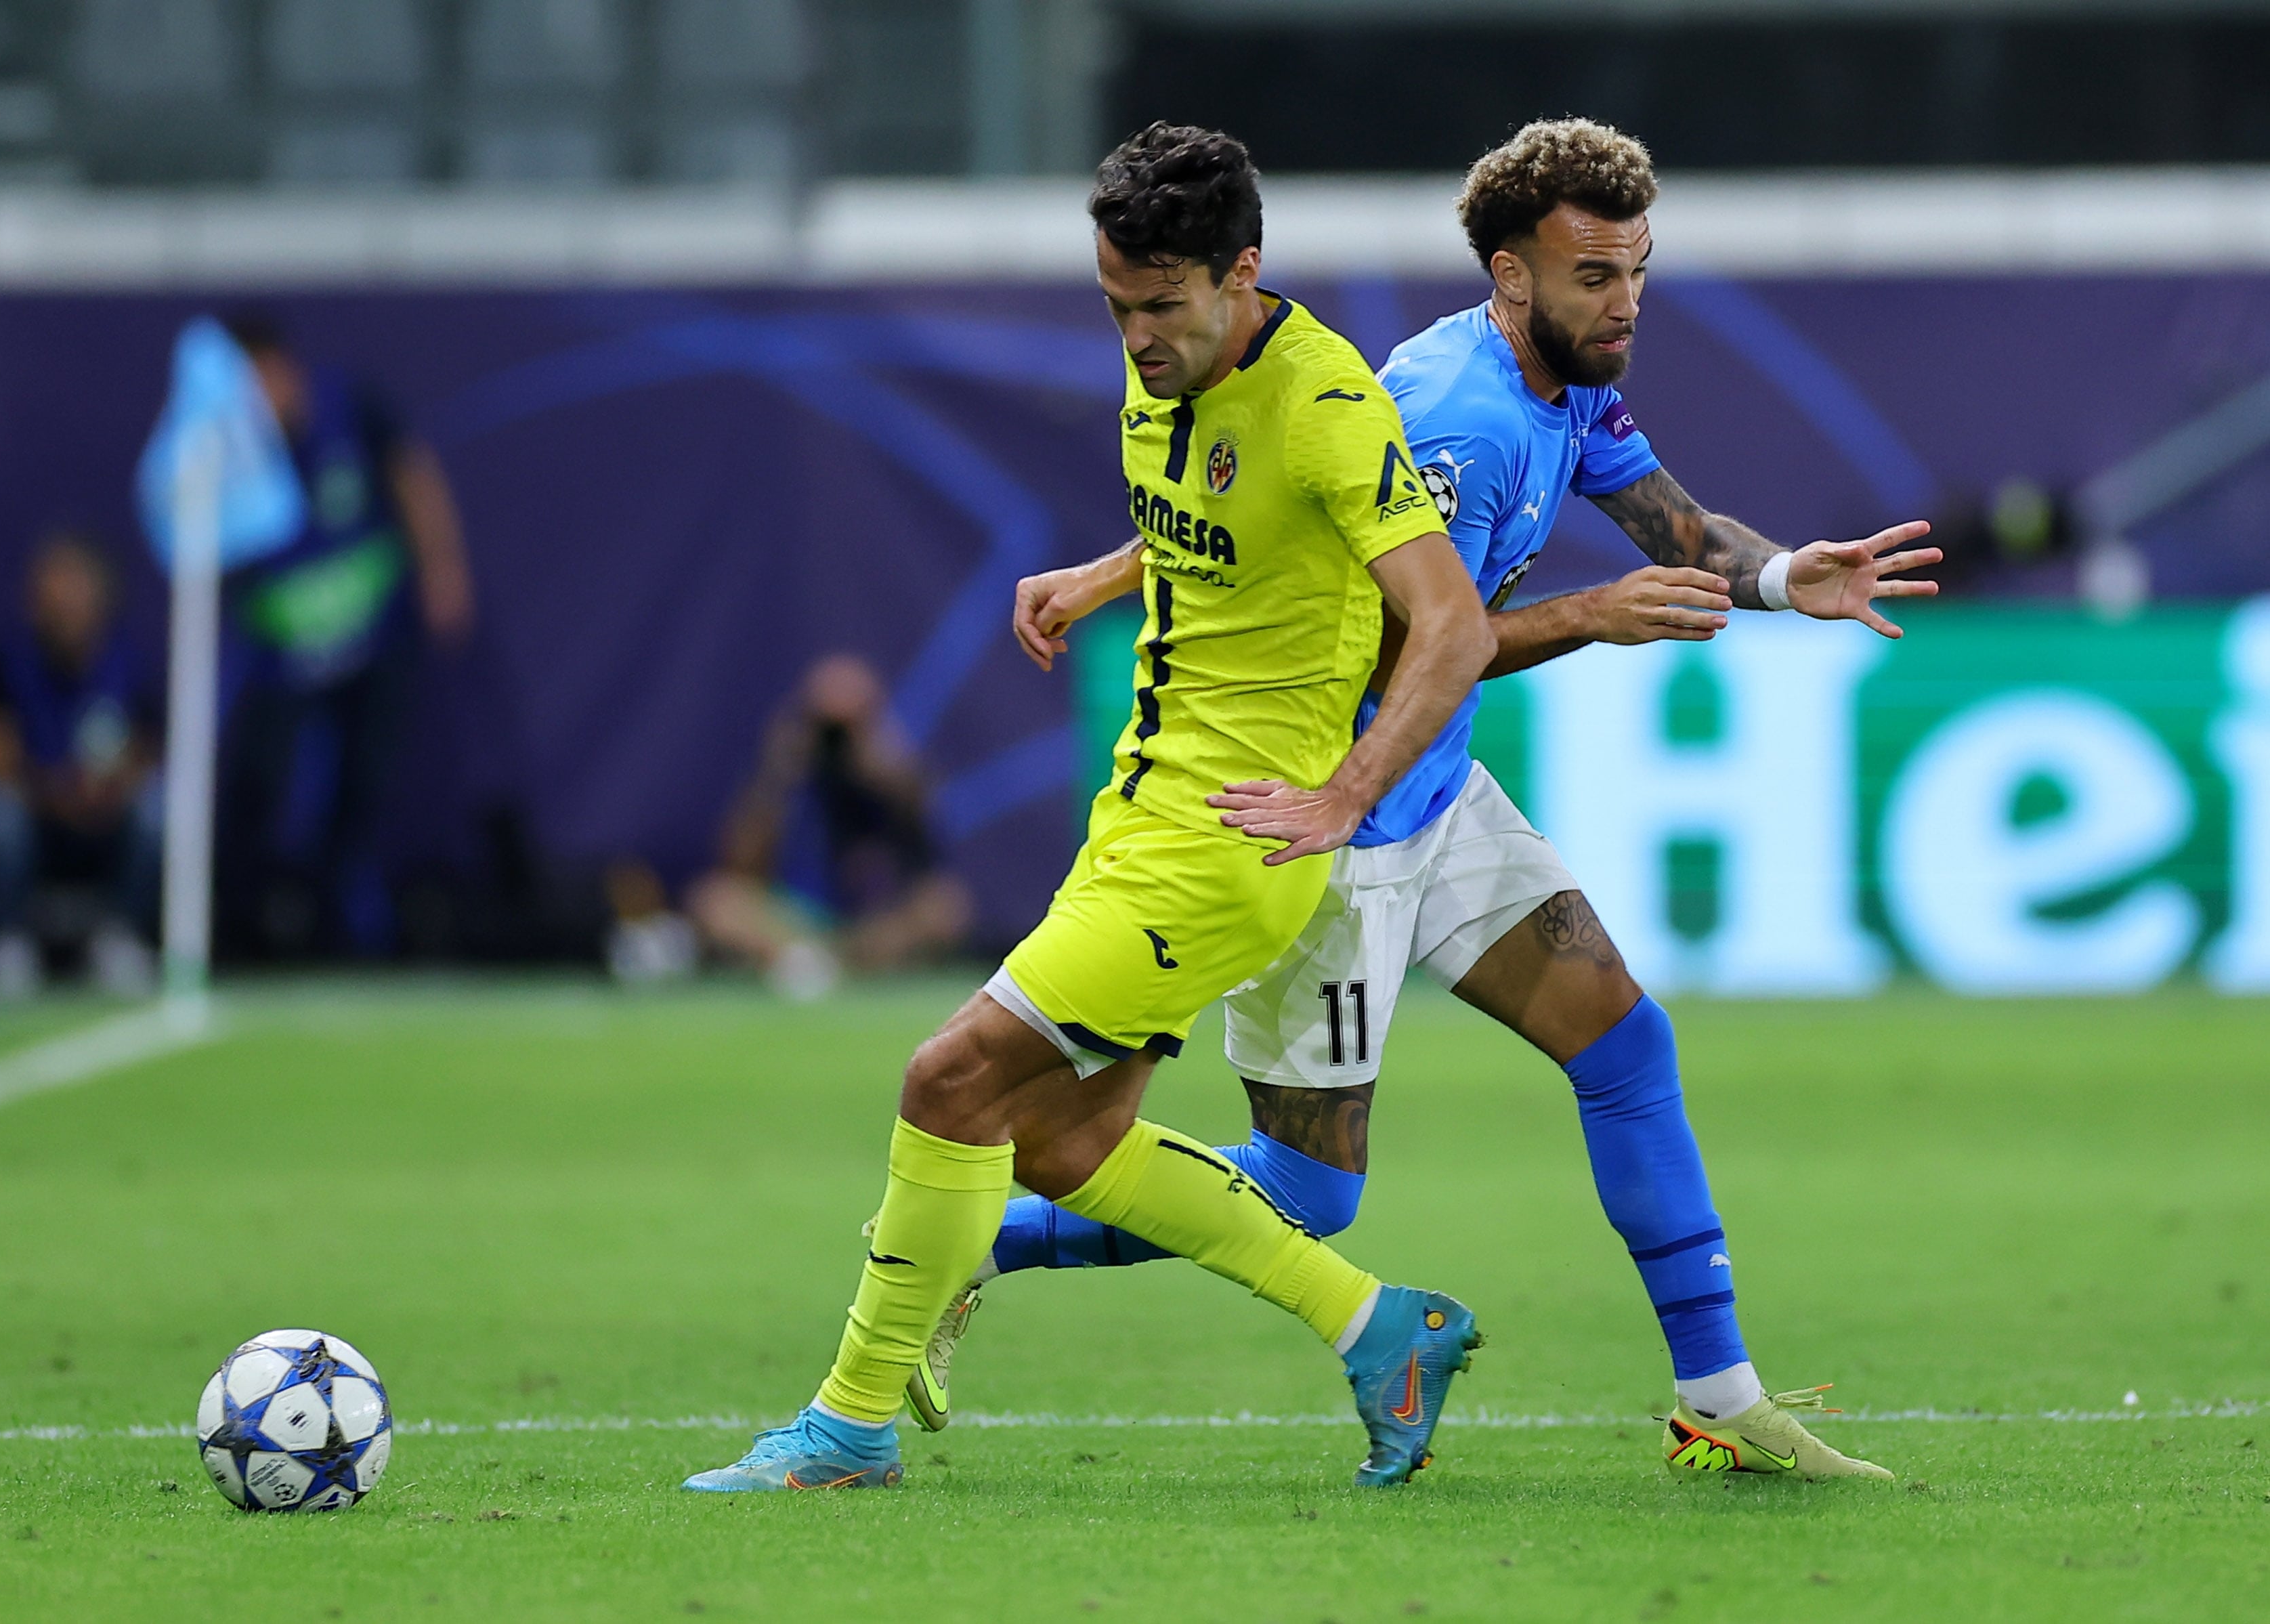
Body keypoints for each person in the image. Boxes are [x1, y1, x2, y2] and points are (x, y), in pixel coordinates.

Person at [916, 119, 1942, 1482]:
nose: (1623, 301)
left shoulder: (1565, 381)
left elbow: (1676, 536)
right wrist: (1586, 614)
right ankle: (969, 1241)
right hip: (1329, 817)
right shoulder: (1452, 414)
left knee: (1624, 1048)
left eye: (1635, 269)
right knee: (1304, 1192)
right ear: (1512, 278)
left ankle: (1721, 1398)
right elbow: (1407, 640)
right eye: (1595, 276)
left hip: (1437, 792)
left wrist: (1774, 580)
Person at [684, 123, 1493, 1494]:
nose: (1135, 335)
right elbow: (1233, 526)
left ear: (1242, 274)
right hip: (1140, 806)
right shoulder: (1168, 364)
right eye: (1114, 304)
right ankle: (1378, 1326)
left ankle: (847, 1424)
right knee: (1062, 1143)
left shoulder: (1323, 402)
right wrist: (1102, 575)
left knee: (945, 1077)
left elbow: (1452, 624)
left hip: (1223, 842)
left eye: (1161, 306)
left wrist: (1342, 792)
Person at [217, 313, 474, 957]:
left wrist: (442, 565)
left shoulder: (353, 408)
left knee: (363, 787)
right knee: (259, 781)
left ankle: (348, 927)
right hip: (286, 653)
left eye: (253, 387)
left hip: (373, 637)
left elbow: (411, 475)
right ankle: (241, 927)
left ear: (281, 369)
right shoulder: (232, 447)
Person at [688, 654, 971, 999]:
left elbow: (926, 859)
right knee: (715, 900)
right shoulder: (789, 777)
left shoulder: (891, 778)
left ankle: (832, 965)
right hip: (792, 920)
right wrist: (778, 774)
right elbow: (740, 863)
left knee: (944, 907)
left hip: (866, 925)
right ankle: (804, 961)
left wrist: (883, 773)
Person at [0, 533, 163, 998]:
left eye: (75, 590)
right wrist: (54, 793)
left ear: (101, 598)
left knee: (156, 805)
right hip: (36, 810)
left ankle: (121, 939)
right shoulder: (4, 659)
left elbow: (147, 749)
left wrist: (107, 790)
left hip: (103, 815)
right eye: (52, 593)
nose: (63, 605)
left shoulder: (130, 662)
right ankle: (6, 944)